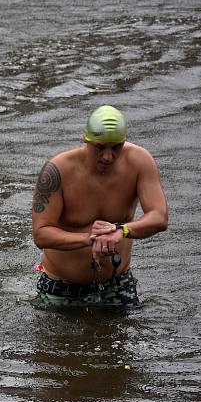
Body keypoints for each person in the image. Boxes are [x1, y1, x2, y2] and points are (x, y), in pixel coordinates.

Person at [31, 105, 168, 306]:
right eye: (100, 147)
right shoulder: (58, 170)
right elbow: (40, 234)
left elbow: (159, 217)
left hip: (118, 285)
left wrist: (122, 231)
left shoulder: (139, 162)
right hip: (61, 286)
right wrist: (89, 239)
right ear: (86, 141)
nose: (107, 156)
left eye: (115, 148)